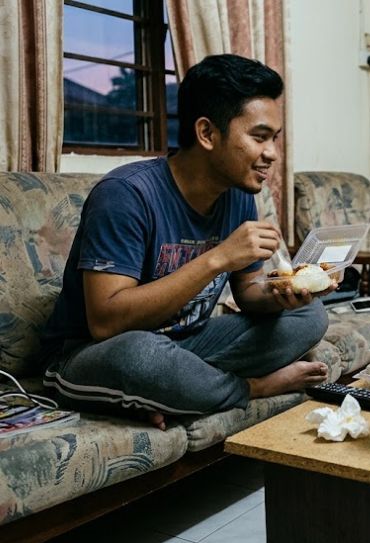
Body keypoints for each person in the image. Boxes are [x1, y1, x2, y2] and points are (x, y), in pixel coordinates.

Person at [40, 54, 334, 430]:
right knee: (142, 355)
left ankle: (171, 389)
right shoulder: (125, 195)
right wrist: (218, 258)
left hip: (186, 342)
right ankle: (250, 388)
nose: (272, 154)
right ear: (207, 133)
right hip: (90, 353)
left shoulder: (238, 193)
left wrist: (284, 291)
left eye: (274, 139)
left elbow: (249, 293)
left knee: (308, 317)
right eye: (259, 137)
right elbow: (106, 322)